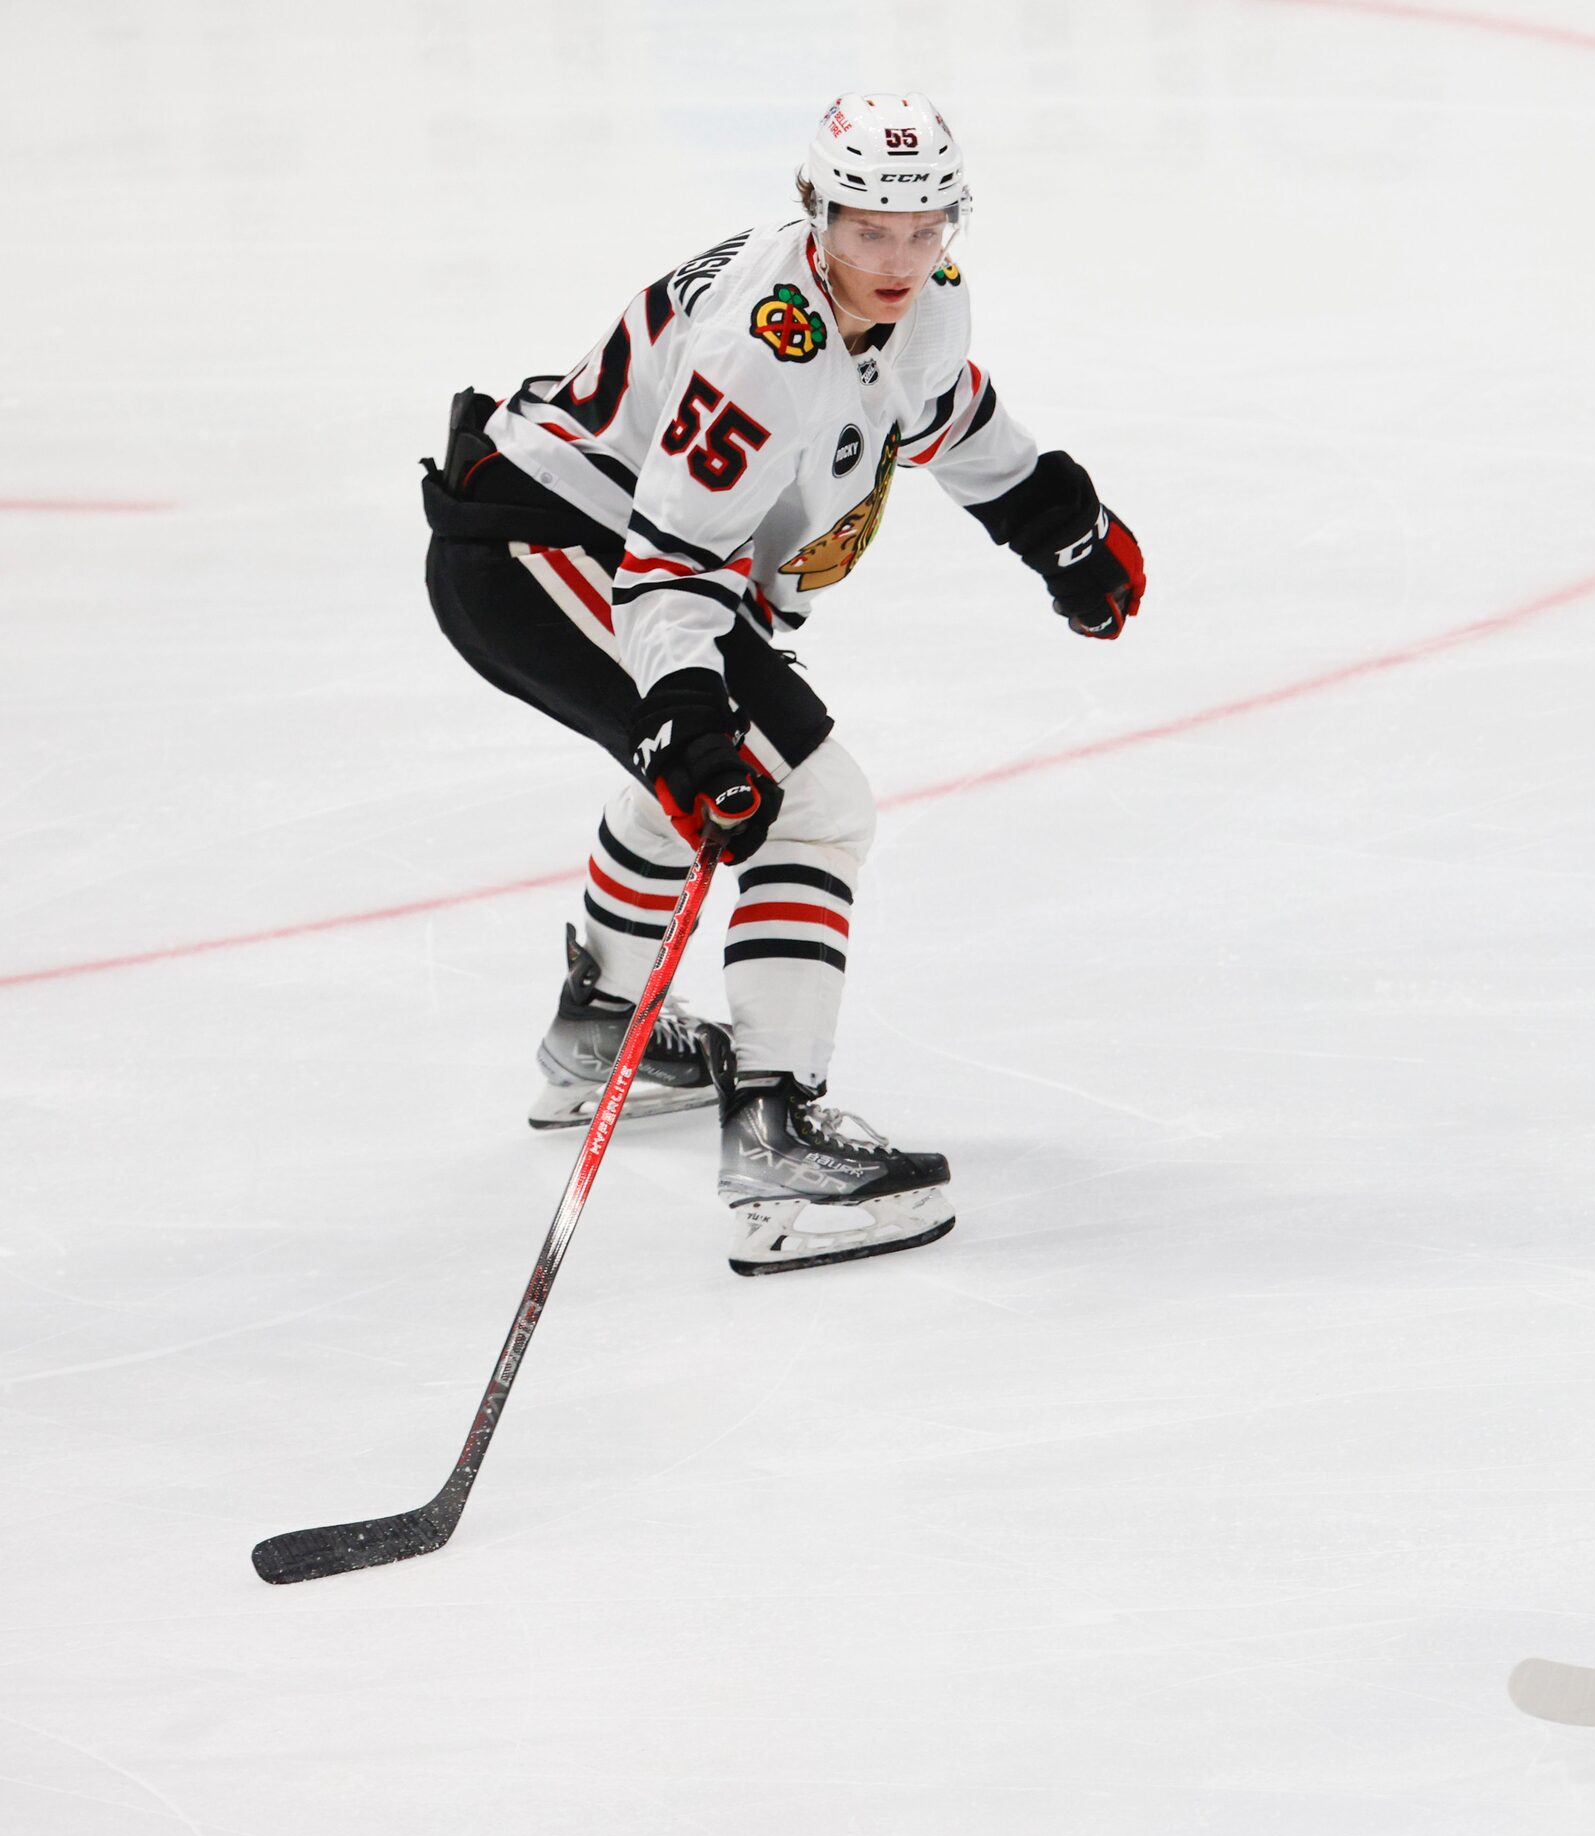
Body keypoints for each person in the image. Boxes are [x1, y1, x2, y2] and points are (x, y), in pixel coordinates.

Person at [421, 93, 1145, 1270]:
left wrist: (1051, 522)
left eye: (926, 227)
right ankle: (777, 1140)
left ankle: (604, 1030)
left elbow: (939, 409)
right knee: (807, 801)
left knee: (731, 774)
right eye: (870, 229)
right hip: (546, 551)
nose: (900, 258)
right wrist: (688, 719)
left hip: (608, 548)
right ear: (815, 210)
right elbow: (666, 568)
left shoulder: (921, 298)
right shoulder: (761, 346)